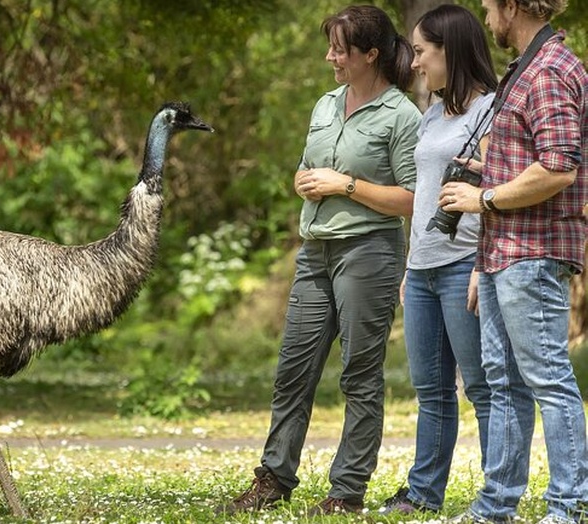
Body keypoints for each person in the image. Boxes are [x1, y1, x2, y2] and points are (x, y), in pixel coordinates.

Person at [218, 5, 421, 517]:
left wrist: (345, 185)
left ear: (370, 54)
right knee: (294, 368)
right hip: (315, 253)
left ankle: (347, 490)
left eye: (340, 49)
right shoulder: (326, 104)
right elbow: (309, 168)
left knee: (358, 372)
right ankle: (274, 477)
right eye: (329, 45)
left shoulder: (401, 115)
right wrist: (304, 180)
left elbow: (415, 199)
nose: (330, 56)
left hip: (369, 252)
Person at [439, 0, 588, 522]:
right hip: (502, 252)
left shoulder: (548, 70)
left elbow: (558, 168)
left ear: (512, 5)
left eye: (488, 7)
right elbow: (531, 158)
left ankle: (569, 506)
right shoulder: (523, 68)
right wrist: (486, 169)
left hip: (535, 252)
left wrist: (481, 198)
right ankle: (496, 506)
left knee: (548, 377)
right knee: (503, 380)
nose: (486, 17)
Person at [378, 4, 498, 516]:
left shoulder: (491, 111)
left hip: (464, 265)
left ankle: (499, 494)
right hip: (424, 268)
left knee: (483, 389)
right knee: (431, 392)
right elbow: (425, 193)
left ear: (451, 49)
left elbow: (498, 195)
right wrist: (410, 266)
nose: (415, 63)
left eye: (423, 52)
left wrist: (480, 267)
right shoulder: (433, 111)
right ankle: (424, 495)